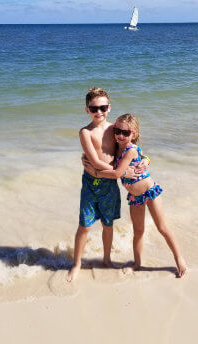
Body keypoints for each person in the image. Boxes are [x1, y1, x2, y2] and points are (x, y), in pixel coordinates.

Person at [87, 113, 187, 278]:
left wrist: (95, 172)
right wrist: (146, 159)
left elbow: (118, 173)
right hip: (135, 197)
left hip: (149, 191)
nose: (120, 135)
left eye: (125, 133)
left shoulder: (130, 150)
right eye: (117, 131)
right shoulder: (118, 148)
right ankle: (137, 263)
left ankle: (179, 259)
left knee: (162, 228)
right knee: (138, 231)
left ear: (134, 134)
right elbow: (137, 158)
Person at [67, 88, 147, 282]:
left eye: (103, 107)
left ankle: (106, 259)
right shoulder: (85, 132)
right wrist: (120, 172)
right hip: (91, 185)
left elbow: (131, 149)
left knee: (107, 224)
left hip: (110, 185)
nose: (99, 112)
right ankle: (76, 263)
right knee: (84, 226)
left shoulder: (115, 130)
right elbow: (94, 161)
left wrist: (146, 160)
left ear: (109, 107)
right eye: (94, 108)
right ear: (87, 110)